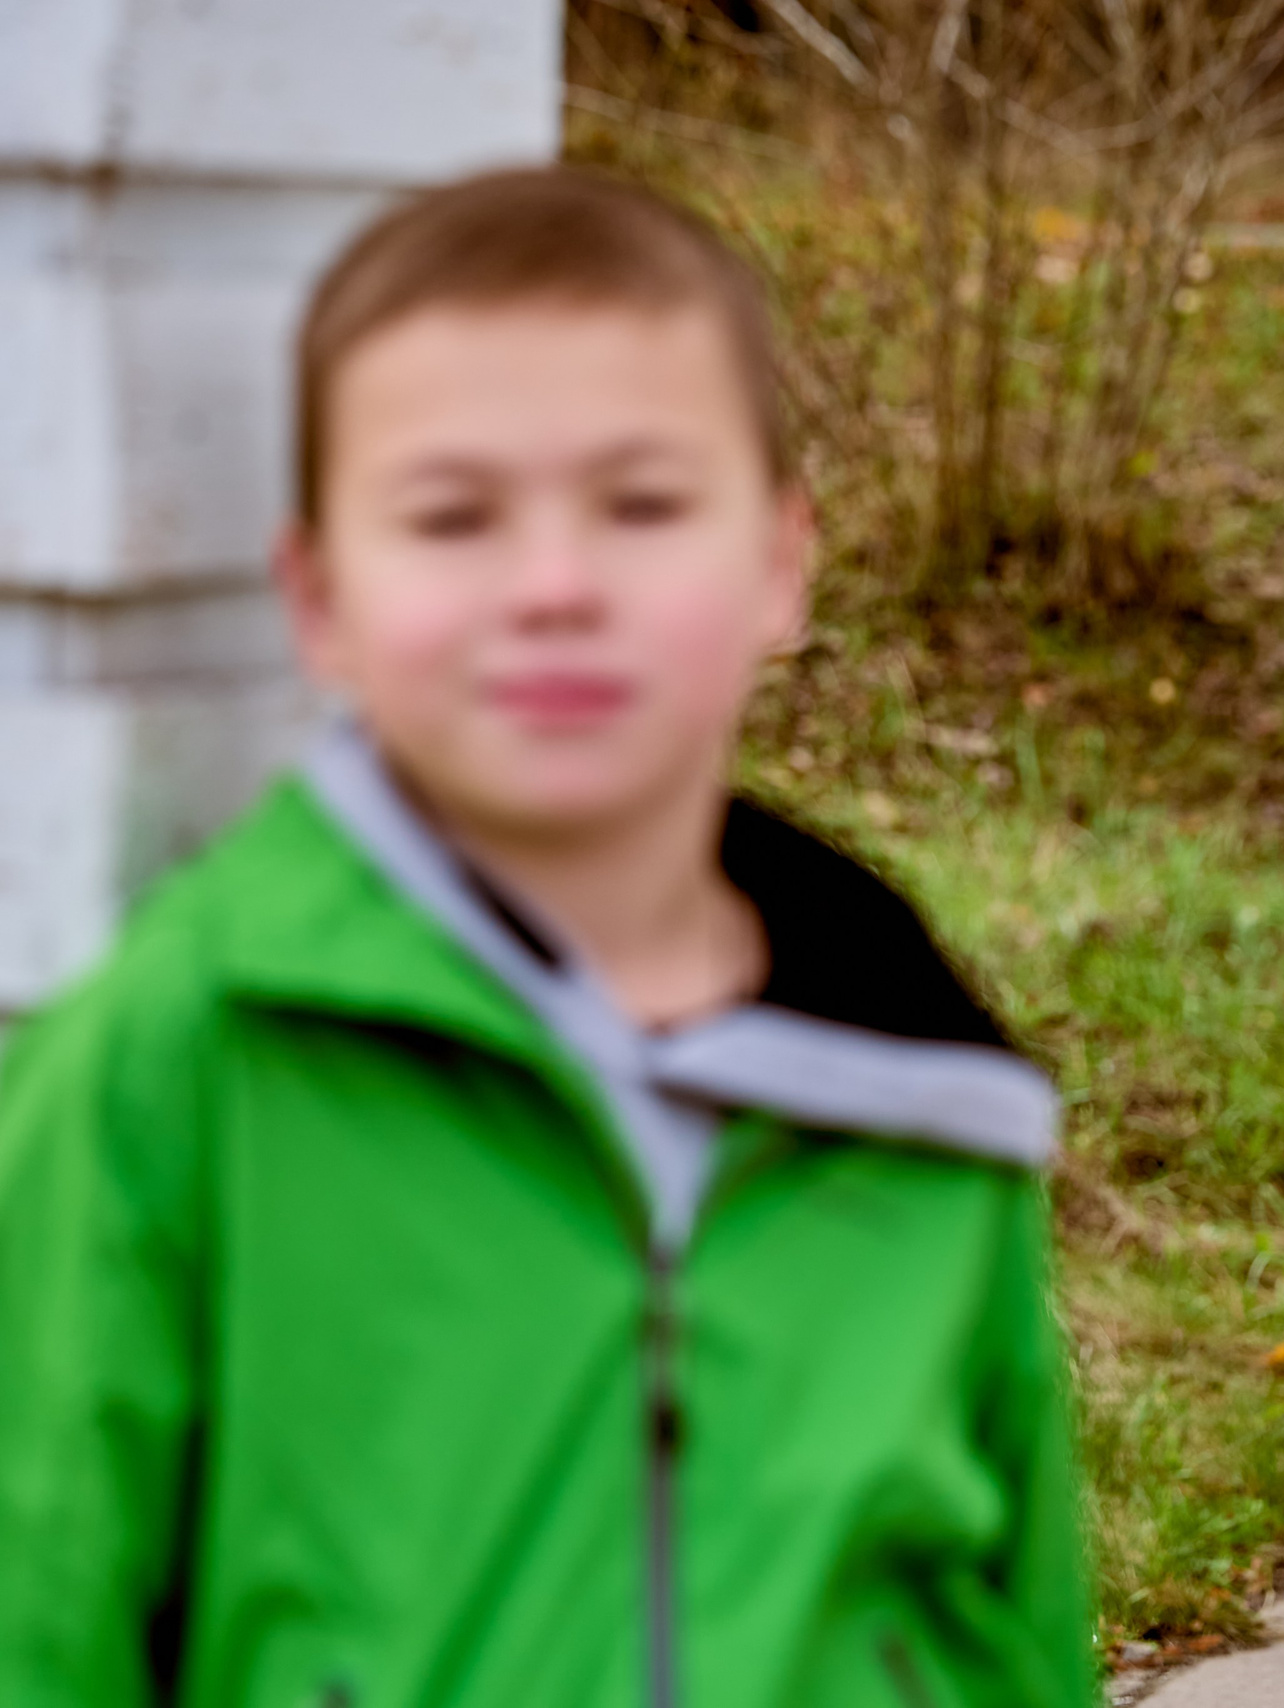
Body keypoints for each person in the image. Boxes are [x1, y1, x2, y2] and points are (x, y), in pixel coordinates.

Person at [0, 167, 1092, 1708]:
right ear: (320, 599)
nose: (557, 587)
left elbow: (1017, 1641)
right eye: (453, 517)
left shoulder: (928, 1097)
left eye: (643, 505)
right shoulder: (172, 1062)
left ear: (782, 562)